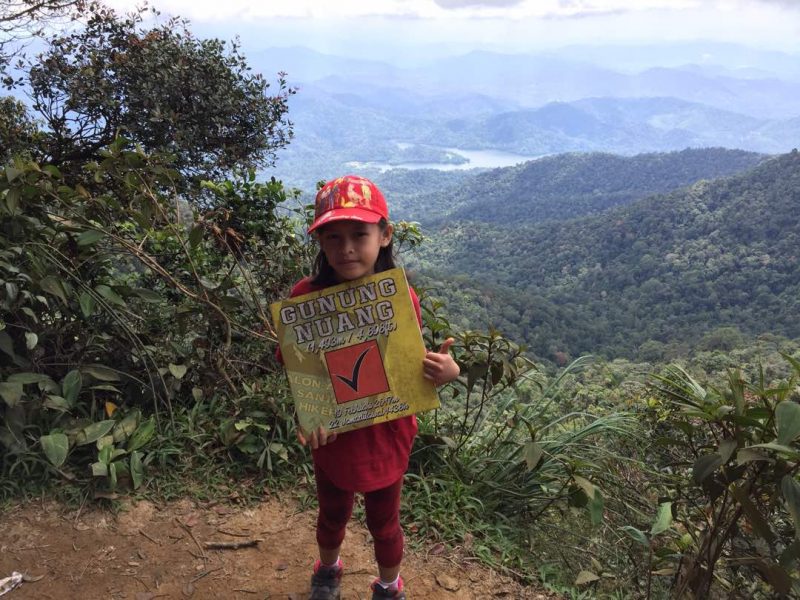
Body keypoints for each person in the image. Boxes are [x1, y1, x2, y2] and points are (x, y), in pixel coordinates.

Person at [277, 175, 460, 600]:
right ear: (320, 242)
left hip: (386, 433)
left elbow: (407, 364)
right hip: (334, 435)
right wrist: (311, 413)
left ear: (385, 235)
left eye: (360, 234)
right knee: (332, 512)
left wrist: (445, 371)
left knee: (384, 521)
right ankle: (328, 569)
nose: (346, 248)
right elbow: (296, 364)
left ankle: (389, 585)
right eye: (333, 236)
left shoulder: (401, 297)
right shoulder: (304, 297)